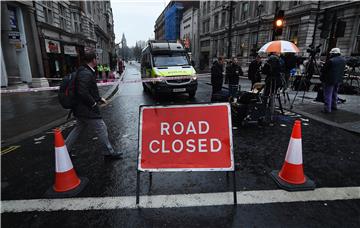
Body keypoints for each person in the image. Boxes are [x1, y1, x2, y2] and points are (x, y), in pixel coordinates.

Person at [65, 52, 122, 159]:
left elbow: (87, 90)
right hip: (86, 108)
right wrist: (93, 103)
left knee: (78, 128)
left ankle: (64, 150)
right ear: (93, 60)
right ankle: (108, 153)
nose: (97, 60)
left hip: (80, 108)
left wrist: (99, 98)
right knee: (101, 127)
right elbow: (82, 91)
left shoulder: (84, 71)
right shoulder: (86, 73)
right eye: (96, 58)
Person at [320, 48, 346, 113]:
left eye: (331, 53)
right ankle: (334, 105)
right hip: (338, 79)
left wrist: (323, 66)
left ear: (333, 53)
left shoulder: (331, 60)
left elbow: (323, 70)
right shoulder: (343, 60)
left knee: (328, 94)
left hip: (329, 80)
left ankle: (327, 108)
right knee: (335, 93)